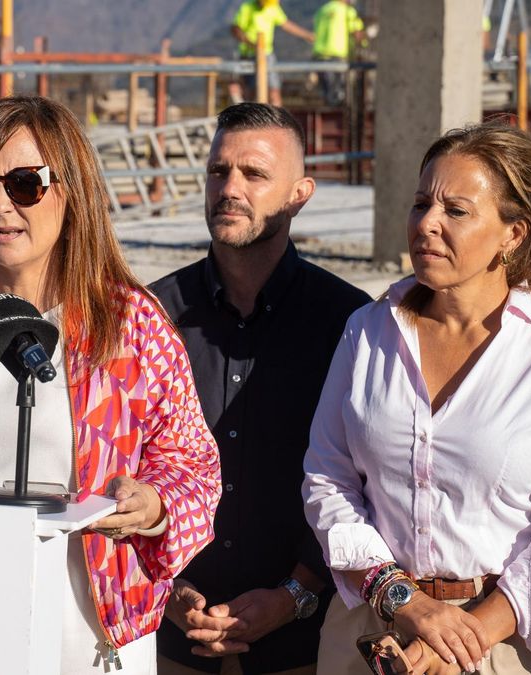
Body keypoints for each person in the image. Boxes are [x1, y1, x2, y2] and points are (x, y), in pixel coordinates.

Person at [0, 95, 222, 674]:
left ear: (71, 188)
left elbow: (196, 471)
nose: (0, 205)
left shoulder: (131, 324)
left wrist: (154, 507)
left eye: (26, 184)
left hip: (83, 632)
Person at [303, 122, 531, 674]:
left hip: (498, 643)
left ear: (513, 234)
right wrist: (405, 602)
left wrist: (465, 637)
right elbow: (328, 478)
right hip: (368, 635)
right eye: (421, 204)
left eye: (456, 211)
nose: (427, 224)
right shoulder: (365, 331)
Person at [151, 103, 370, 675]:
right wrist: (167, 584)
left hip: (304, 644)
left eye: (254, 174)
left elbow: (366, 481)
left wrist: (293, 595)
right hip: (170, 639)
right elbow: (119, 462)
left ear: (300, 193)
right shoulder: (148, 316)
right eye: (219, 172)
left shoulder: (350, 323)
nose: (230, 188)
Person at [230, 0, 314, 107]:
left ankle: (277, 117)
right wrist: (250, 43)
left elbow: (286, 24)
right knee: (250, 91)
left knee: (274, 89)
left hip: (267, 54)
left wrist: (307, 35)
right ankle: (250, 116)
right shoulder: (247, 7)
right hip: (248, 55)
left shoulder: (273, 7)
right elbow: (236, 29)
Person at [311, 0, 365, 107]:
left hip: (319, 55)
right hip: (336, 54)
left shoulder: (323, 10)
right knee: (338, 93)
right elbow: (357, 33)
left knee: (326, 91)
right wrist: (365, 42)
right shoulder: (347, 11)